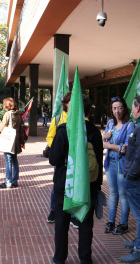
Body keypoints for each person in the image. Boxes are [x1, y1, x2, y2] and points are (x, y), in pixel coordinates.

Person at [49, 94, 103, 264]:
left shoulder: (64, 130)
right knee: (86, 223)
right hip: (87, 184)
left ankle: (59, 258)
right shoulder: (94, 131)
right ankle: (85, 258)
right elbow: (98, 161)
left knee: (62, 223)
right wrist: (97, 186)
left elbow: (54, 159)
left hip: (64, 183)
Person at [103, 96, 134, 235]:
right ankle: (110, 222)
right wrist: (105, 137)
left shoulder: (130, 125)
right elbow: (103, 142)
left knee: (123, 194)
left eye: (120, 108)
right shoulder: (110, 124)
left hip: (122, 165)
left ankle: (123, 224)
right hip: (110, 164)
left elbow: (126, 148)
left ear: (124, 108)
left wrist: (109, 145)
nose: (117, 111)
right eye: (114, 108)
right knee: (113, 194)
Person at [46, 92, 73, 225]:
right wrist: (58, 148)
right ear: (65, 104)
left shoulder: (82, 119)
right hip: (61, 159)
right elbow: (50, 137)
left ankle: (73, 213)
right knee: (57, 186)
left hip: (75, 159)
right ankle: (54, 210)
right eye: (70, 101)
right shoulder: (57, 119)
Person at [121, 96, 140, 263]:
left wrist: (130, 174)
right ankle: (138, 242)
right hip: (134, 176)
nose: (131, 110)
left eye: (132, 107)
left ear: (138, 108)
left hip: (135, 178)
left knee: (139, 215)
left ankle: (138, 248)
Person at [0, 97, 22, 189]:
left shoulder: (8, 114)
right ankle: (15, 181)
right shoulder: (18, 114)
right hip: (16, 142)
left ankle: (8, 181)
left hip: (8, 142)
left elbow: (1, 128)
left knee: (8, 162)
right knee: (15, 161)